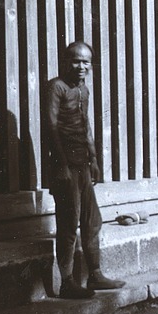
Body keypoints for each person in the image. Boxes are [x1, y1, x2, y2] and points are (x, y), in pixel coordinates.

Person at [44, 41, 125, 299]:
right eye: (76, 61)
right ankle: (67, 282)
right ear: (66, 62)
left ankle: (95, 275)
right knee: (68, 223)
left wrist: (94, 159)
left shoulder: (84, 90)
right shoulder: (56, 87)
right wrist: (62, 166)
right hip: (64, 166)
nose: (81, 66)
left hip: (83, 166)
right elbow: (51, 126)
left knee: (92, 221)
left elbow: (86, 126)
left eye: (86, 62)